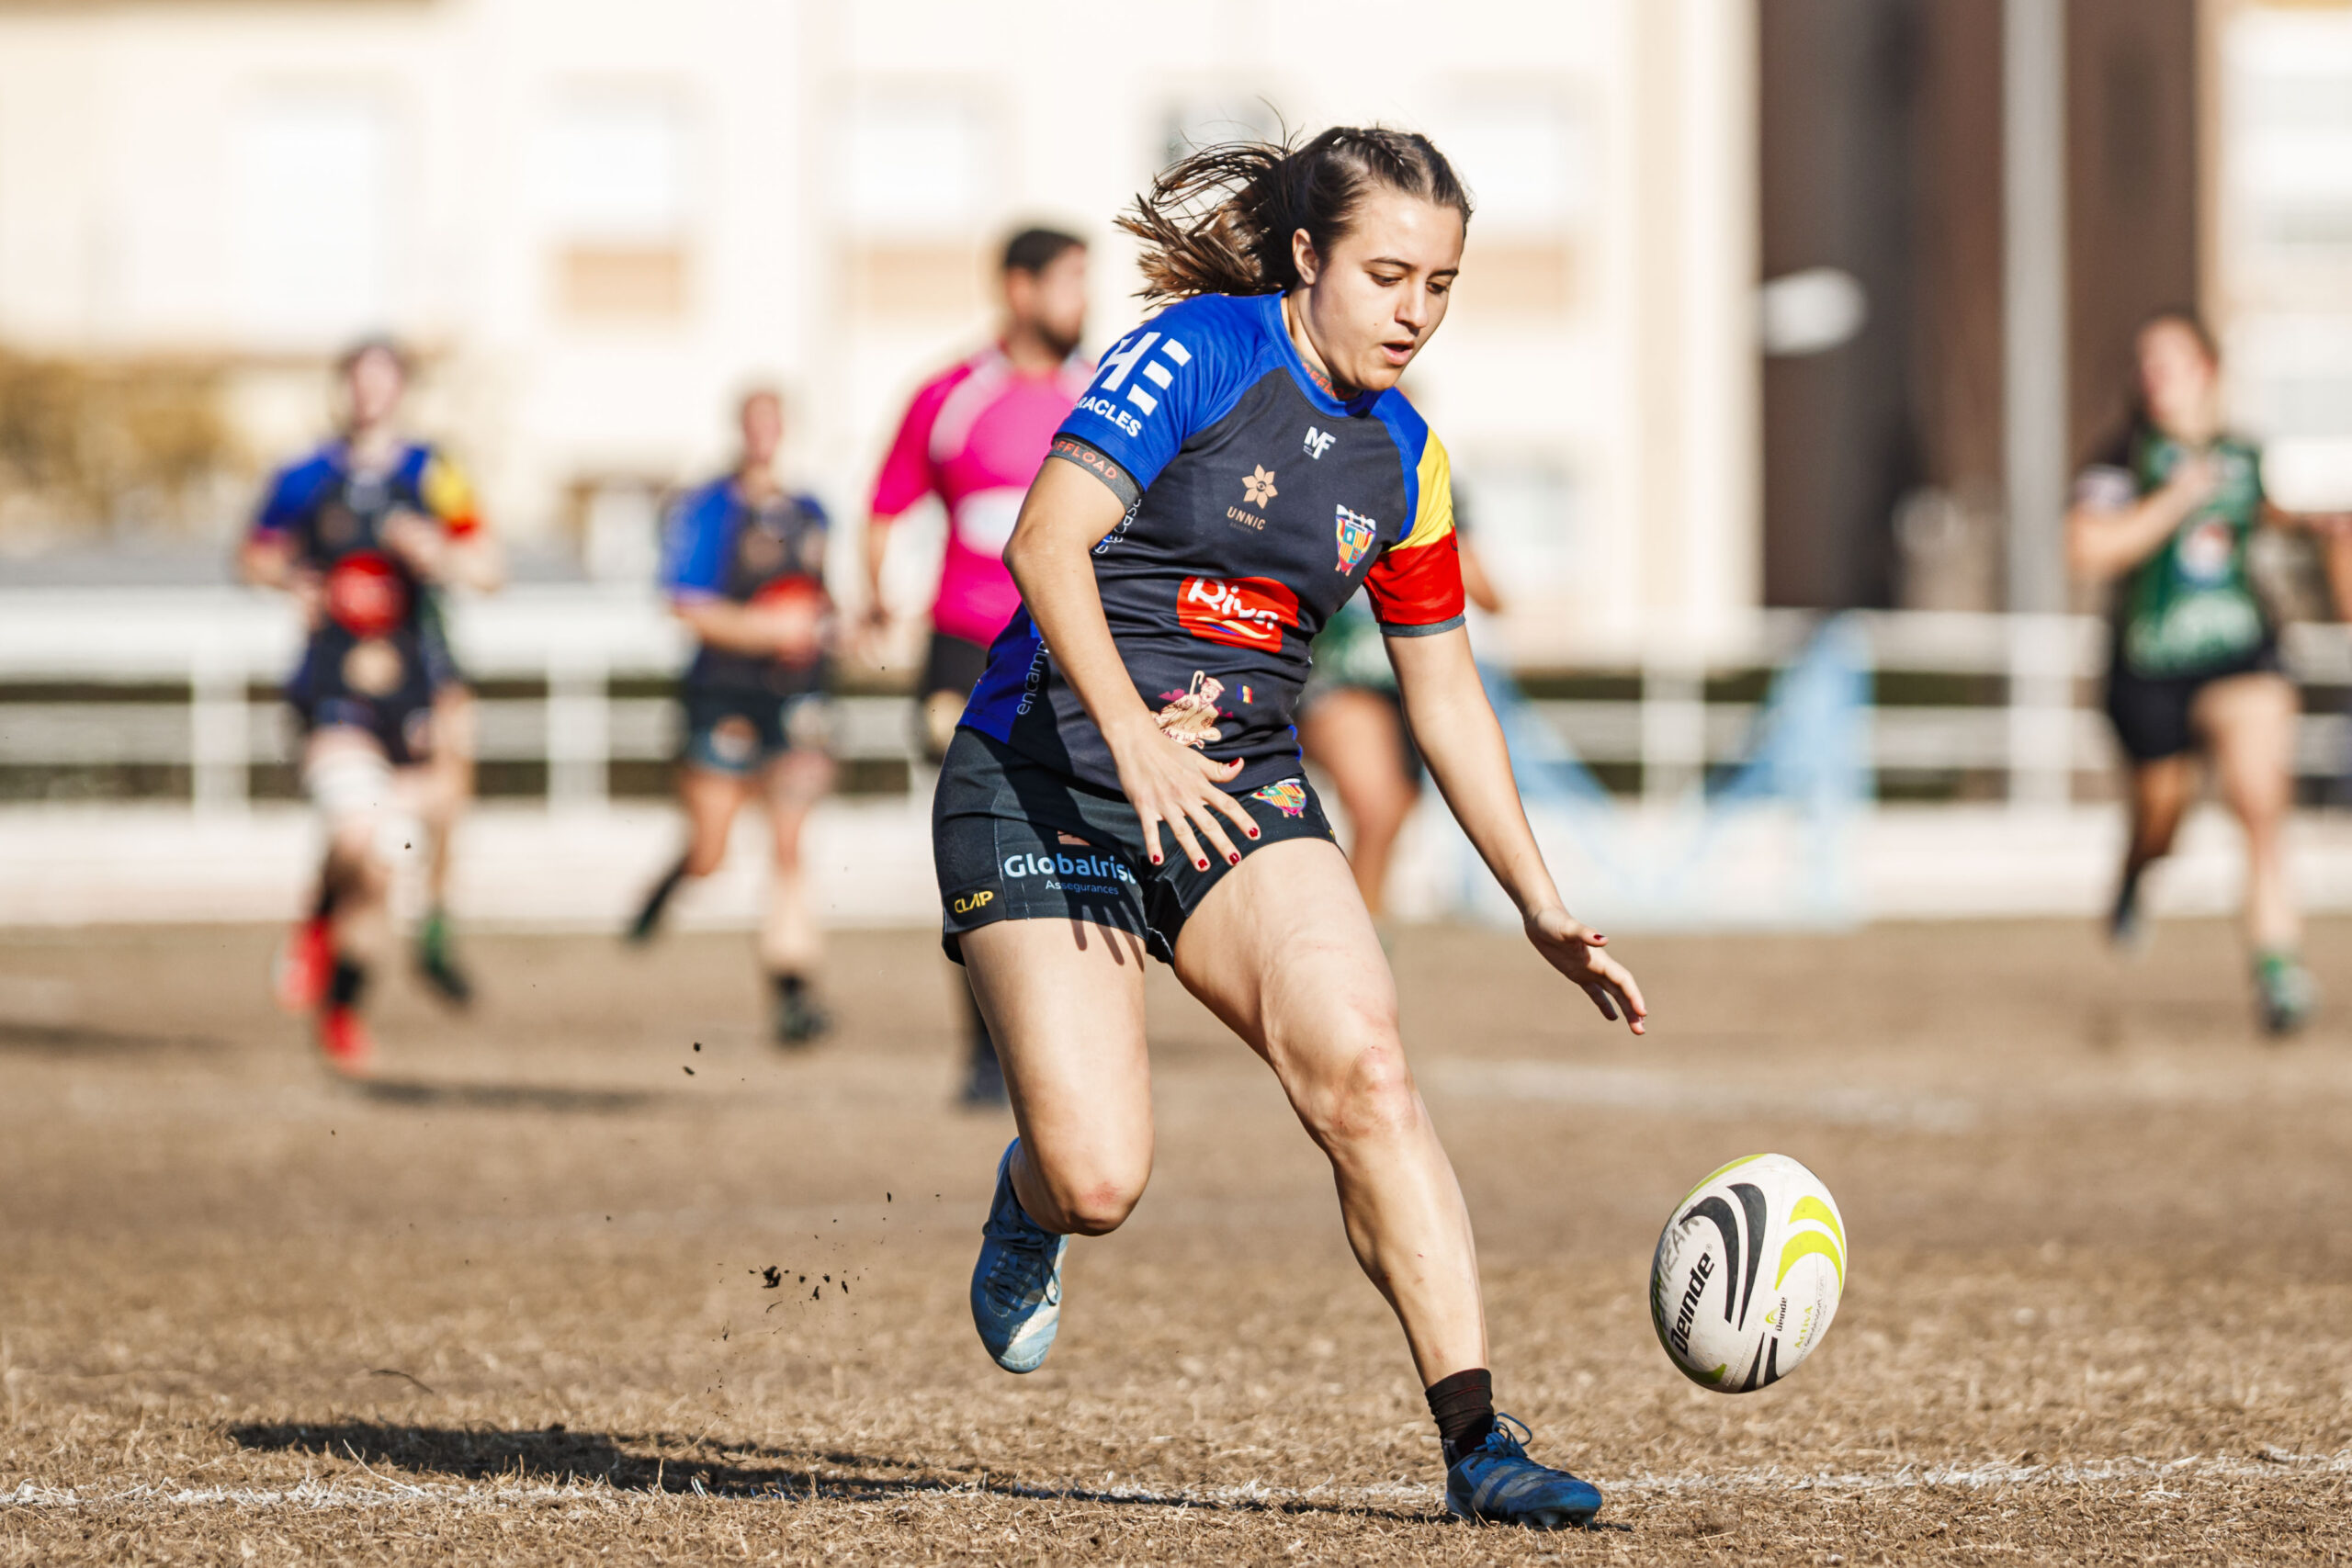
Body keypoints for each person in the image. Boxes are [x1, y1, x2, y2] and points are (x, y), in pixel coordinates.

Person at [933, 127, 1647, 1529]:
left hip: (1241, 792)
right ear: (1310, 257)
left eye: (1440, 283)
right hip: (1042, 777)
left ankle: (1478, 1438)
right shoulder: (1197, 349)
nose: (1414, 311)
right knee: (1099, 1174)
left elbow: (1443, 694)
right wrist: (1131, 738)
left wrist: (1537, 897)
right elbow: (1043, 540)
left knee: (1369, 1071)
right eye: (1388, 274)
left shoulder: (1407, 459)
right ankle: (1030, 1204)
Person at [2068, 309, 2352, 1034]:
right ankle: (2138, 867)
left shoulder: (2243, 456)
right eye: (2145, 362)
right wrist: (2176, 497)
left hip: (2239, 653)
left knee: (2260, 803)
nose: (2154, 375)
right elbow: (2090, 550)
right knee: (2163, 819)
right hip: (2149, 666)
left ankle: (2277, 970)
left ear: (2207, 372)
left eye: (2170, 360)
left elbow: (2267, 517)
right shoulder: (2120, 460)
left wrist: (2323, 528)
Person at [864, 226, 1094, 1104]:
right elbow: (886, 502)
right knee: (979, 844)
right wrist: (877, 593)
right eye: (1070, 282)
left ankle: (1060, 1036)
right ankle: (984, 1052)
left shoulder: (1100, 392)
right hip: (963, 647)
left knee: (1064, 843)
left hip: (1067, 646)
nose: (1083, 300)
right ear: (1019, 288)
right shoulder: (951, 396)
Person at [243, 337, 503, 1072]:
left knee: (387, 865)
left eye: (383, 380)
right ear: (342, 389)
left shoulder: (434, 473)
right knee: (359, 835)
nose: (370, 394)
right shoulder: (304, 476)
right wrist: (292, 579)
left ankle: (342, 996)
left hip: (414, 691)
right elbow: (254, 555)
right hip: (332, 688)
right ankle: (325, 937)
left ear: (403, 390)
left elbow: (489, 567)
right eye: (358, 380)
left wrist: (439, 553)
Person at [628, 389, 836, 1046]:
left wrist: (837, 629)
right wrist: (765, 630)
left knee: (788, 844)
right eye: (755, 423)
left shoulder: (811, 512)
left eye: (775, 423)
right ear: (740, 430)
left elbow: (822, 602)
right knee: (713, 852)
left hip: (796, 696)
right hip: (721, 694)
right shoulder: (708, 507)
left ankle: (794, 993)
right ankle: (671, 878)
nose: (764, 436)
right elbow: (684, 602)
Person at [1300, 527, 1503, 918]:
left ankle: (1364, 920)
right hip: (1333, 677)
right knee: (1379, 806)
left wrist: (1449, 548)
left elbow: (1491, 599)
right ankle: (1355, 928)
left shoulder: (1437, 494)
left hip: (1407, 690)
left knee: (1391, 812)